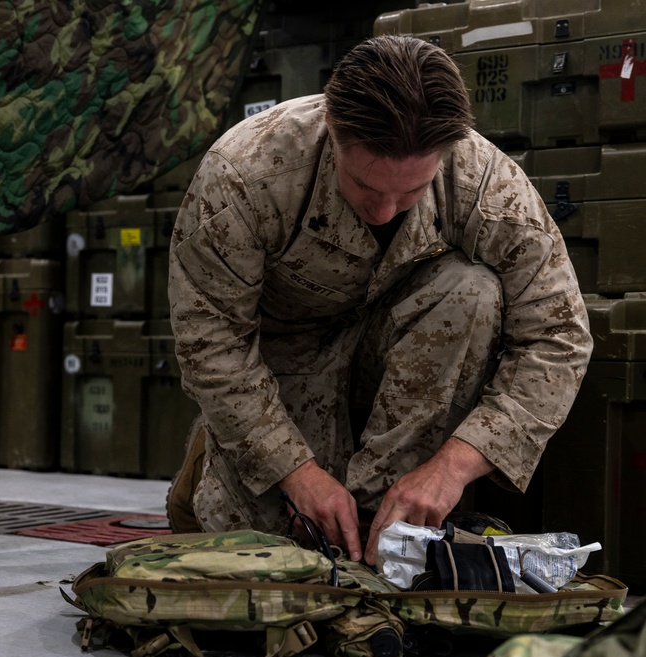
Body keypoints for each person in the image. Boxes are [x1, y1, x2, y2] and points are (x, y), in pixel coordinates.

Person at [165, 34, 592, 566]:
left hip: (398, 353)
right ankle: (210, 459)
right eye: (366, 188)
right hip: (279, 365)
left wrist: (454, 467)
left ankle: (380, 521)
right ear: (332, 130)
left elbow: (559, 335)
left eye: (411, 193)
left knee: (472, 291)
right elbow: (212, 345)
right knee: (266, 560)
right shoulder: (244, 176)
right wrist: (296, 473)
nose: (386, 212)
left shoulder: (483, 180)